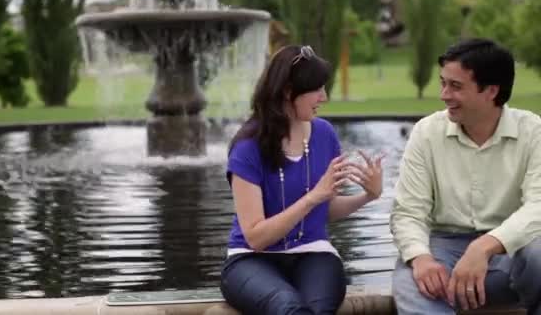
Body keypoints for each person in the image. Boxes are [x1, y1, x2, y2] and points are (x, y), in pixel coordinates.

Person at [219, 45, 385, 315]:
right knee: (287, 306)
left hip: (314, 254)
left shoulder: (324, 134)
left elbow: (325, 209)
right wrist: (313, 197)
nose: (324, 97)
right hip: (250, 260)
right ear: (287, 91)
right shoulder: (247, 147)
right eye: (317, 89)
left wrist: (369, 196)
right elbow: (256, 237)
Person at [390, 38, 541, 314]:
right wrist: (420, 257)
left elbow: (538, 207)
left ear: (491, 91)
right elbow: (408, 211)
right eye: (443, 83)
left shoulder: (533, 132)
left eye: (455, 86)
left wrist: (484, 247)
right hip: (444, 250)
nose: (444, 94)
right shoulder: (426, 133)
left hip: (512, 252)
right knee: (412, 281)